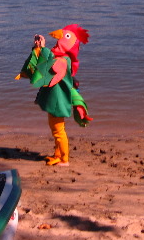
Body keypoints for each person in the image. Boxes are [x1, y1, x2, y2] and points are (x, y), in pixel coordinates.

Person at [17, 24, 93, 166]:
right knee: (55, 129)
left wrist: (43, 49)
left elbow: (47, 68)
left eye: (65, 36)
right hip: (55, 100)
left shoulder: (63, 60)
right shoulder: (60, 57)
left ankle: (64, 160)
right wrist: (38, 48)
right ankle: (58, 155)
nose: (59, 39)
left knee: (59, 131)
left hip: (59, 101)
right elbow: (45, 62)